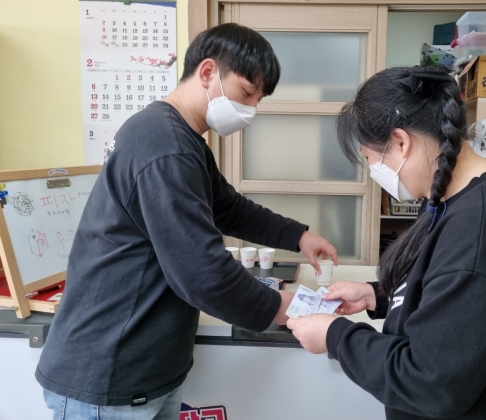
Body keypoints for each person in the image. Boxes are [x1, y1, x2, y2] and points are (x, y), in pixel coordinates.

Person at [36, 23, 337, 419]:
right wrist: (289, 308)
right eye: (247, 93)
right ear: (208, 72)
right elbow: (203, 274)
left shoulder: (180, 139)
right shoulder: (166, 147)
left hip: (148, 371)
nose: (251, 109)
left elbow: (228, 208)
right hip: (109, 374)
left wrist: (298, 236)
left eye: (258, 100)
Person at [287, 66, 486, 419]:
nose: (374, 173)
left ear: (401, 142)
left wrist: (335, 336)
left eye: (370, 160)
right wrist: (376, 296)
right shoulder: (454, 201)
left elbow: (429, 382)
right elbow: (452, 296)